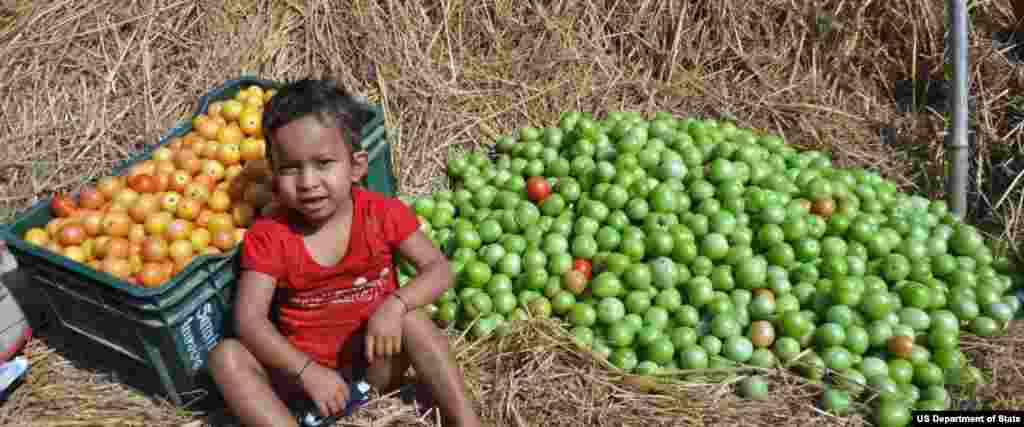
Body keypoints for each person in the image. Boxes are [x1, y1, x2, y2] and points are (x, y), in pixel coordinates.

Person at [207, 78, 481, 427]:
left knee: (413, 320)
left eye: (323, 163)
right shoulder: (271, 235)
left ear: (356, 166)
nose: (307, 182)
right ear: (274, 174)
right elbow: (249, 321)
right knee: (225, 357)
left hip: (374, 365)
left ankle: (467, 422)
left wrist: (394, 305)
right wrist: (307, 372)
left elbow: (439, 270)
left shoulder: (381, 214)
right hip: (302, 384)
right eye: (291, 168)